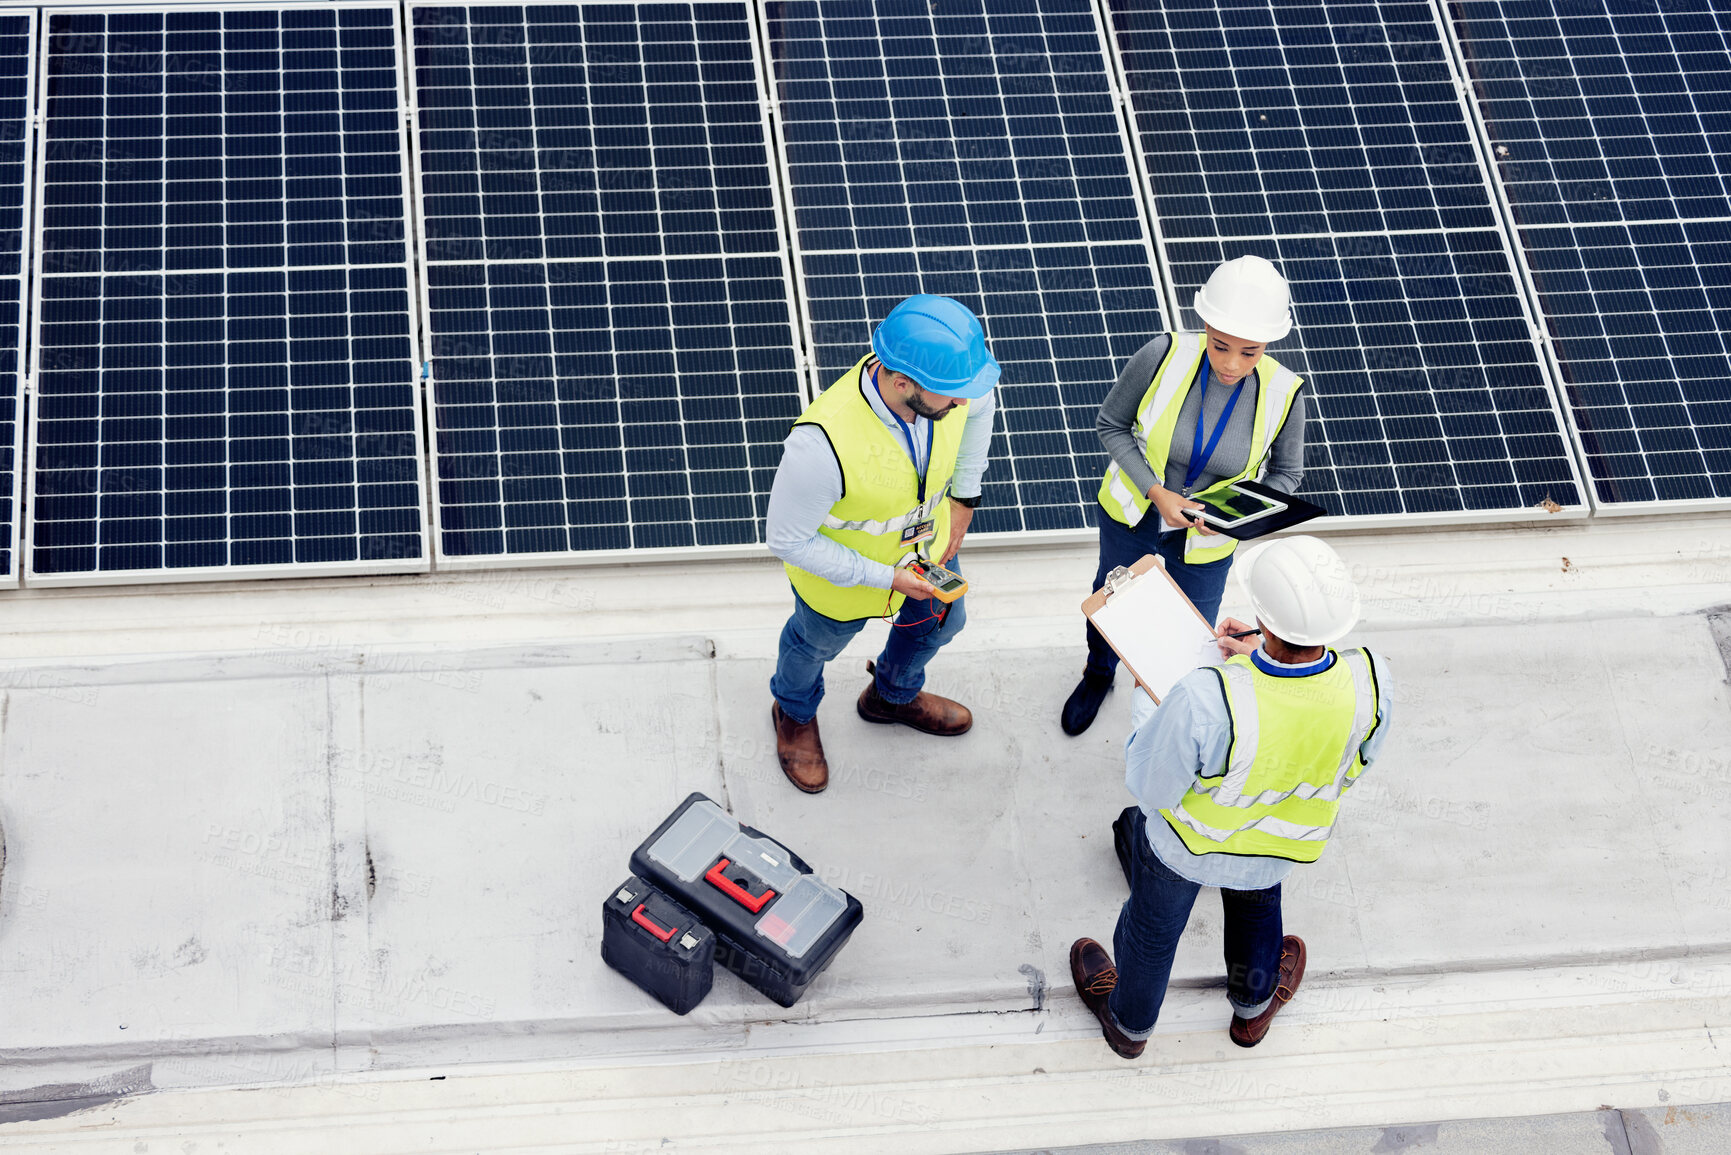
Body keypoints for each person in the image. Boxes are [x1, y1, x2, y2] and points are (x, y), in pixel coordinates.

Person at [1069, 536, 1394, 1058]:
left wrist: (1146, 699)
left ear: (1262, 622)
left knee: (1151, 934)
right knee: (1258, 916)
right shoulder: (1371, 678)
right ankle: (1251, 1012)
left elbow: (1149, 786)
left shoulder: (1205, 696)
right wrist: (1262, 658)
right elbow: (1356, 760)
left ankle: (1129, 1029)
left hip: (1184, 848)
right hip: (1279, 847)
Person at [1061, 255, 1308, 736]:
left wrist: (1227, 517)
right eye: (1220, 346)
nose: (1232, 364)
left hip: (1208, 538)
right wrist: (1157, 493)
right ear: (1205, 324)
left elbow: (1287, 477)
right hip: (1133, 514)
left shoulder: (1286, 391)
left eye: (1250, 351)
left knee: (1192, 630)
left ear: (1269, 344)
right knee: (1113, 600)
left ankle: (1160, 705)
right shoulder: (1162, 355)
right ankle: (1098, 673)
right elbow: (1111, 425)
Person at [763, 295, 999, 794]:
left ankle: (890, 697)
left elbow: (980, 407)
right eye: (952, 394)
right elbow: (786, 540)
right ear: (901, 383)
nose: (962, 402)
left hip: (926, 551)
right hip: (841, 585)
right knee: (812, 646)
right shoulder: (819, 445)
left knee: (944, 621)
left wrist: (965, 496)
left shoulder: (951, 390)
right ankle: (794, 711)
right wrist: (886, 578)